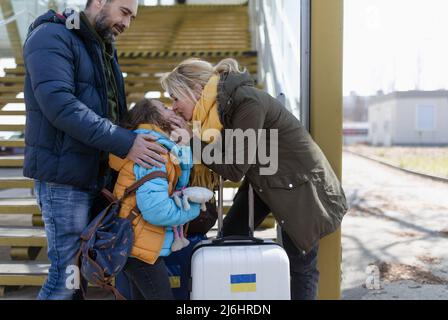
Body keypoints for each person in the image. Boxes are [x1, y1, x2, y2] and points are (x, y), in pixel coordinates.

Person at [160, 58, 349, 300]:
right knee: (230, 236)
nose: (173, 106)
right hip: (267, 182)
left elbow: (234, 168)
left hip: (301, 187)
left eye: (175, 97)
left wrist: (191, 140)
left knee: (301, 266)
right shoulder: (221, 110)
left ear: (196, 89)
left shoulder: (246, 103)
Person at [23, 0, 168, 300]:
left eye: (132, 17)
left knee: (78, 279)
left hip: (95, 178)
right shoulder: (52, 36)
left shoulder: (101, 47)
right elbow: (60, 106)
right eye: (124, 12)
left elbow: (115, 114)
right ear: (100, 1)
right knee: (65, 277)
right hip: (65, 182)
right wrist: (126, 143)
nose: (127, 24)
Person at [109, 99, 202, 300]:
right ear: (154, 117)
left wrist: (183, 142)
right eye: (165, 108)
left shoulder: (154, 145)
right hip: (140, 247)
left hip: (137, 242)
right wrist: (194, 209)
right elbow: (157, 210)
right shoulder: (153, 150)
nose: (173, 109)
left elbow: (178, 182)